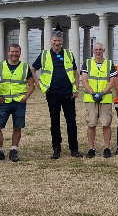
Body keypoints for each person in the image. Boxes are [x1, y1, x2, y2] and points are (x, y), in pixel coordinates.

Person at [31, 31, 82, 159]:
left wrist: (76, 89)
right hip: (52, 93)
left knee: (71, 121)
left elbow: (75, 72)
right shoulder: (44, 55)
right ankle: (56, 148)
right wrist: (40, 85)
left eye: (59, 41)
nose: (57, 43)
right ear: (51, 41)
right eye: (54, 40)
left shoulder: (69, 54)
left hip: (68, 93)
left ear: (62, 41)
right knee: (55, 122)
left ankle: (74, 149)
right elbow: (32, 69)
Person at [0, 43, 35, 163]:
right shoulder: (0, 66)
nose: (14, 54)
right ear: (8, 52)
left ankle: (14, 150)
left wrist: (25, 98)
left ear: (20, 53)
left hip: (19, 102)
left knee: (17, 127)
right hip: (4, 101)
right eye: (12, 52)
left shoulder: (25, 67)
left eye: (16, 52)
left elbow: (31, 86)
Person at [80, 42, 117, 158]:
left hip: (105, 98)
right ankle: (91, 148)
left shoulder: (109, 64)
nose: (98, 51)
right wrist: (93, 93)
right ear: (93, 51)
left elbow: (112, 81)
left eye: (100, 49)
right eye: (96, 49)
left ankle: (107, 148)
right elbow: (84, 80)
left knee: (106, 123)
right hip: (91, 98)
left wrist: (102, 93)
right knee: (91, 123)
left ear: (104, 51)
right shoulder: (87, 63)